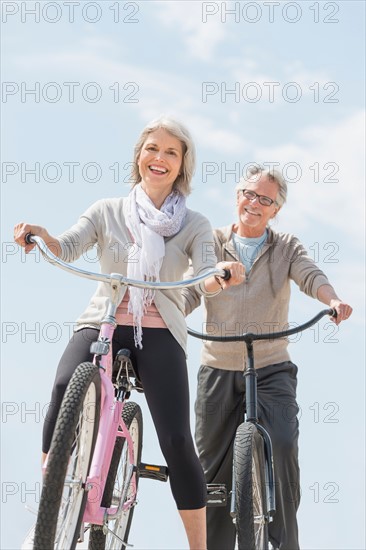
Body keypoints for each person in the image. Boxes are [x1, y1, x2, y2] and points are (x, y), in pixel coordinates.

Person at [14, 116, 245, 550]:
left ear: (182, 166)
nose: (159, 158)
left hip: (160, 331)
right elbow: (69, 243)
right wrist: (42, 236)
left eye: (171, 152)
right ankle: (51, 506)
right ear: (139, 156)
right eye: (152, 148)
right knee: (65, 385)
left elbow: (207, 274)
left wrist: (222, 276)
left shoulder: (193, 224)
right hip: (103, 319)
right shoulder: (106, 211)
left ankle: (199, 546)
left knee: (176, 439)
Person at [182, 165, 353, 550]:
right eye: (248, 193)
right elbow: (193, 290)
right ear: (236, 195)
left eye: (265, 199)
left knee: (283, 444)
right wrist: (169, 314)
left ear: (275, 210)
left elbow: (310, 275)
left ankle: (285, 541)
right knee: (210, 470)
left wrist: (334, 300)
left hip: (272, 367)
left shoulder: (286, 246)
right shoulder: (212, 242)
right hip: (218, 368)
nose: (254, 203)